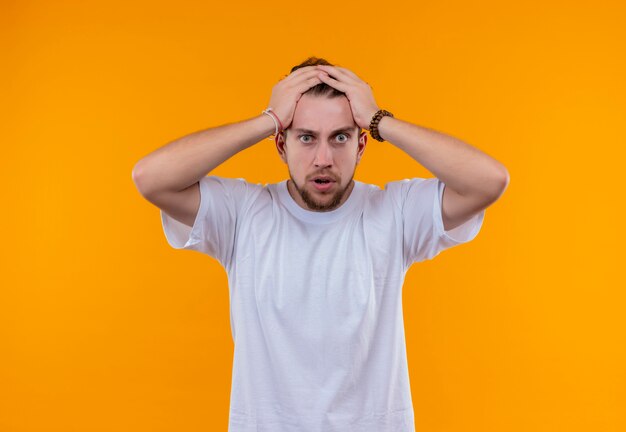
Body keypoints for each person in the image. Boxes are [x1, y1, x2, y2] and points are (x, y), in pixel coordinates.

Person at [132, 56, 509, 432]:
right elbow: (151, 178)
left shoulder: (394, 213)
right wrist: (268, 120)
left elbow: (489, 181)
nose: (323, 159)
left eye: (340, 137)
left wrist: (379, 120)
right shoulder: (242, 214)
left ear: (362, 145)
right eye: (306, 137)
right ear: (281, 145)